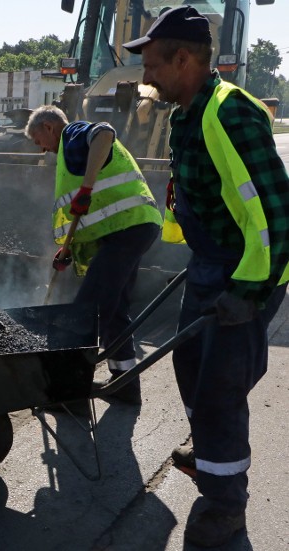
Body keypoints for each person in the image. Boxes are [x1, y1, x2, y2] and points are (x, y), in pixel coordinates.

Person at [123, 6, 289, 547]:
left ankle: (225, 506)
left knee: (220, 390)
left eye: (152, 64)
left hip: (243, 274)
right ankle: (210, 449)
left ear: (185, 58)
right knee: (191, 366)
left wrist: (248, 291)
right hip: (210, 265)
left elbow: (278, 214)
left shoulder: (230, 112)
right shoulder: (185, 114)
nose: (145, 77)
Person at [25, 105, 162, 405]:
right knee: (113, 311)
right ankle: (124, 384)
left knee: (87, 312)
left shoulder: (72, 135)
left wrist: (85, 189)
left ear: (49, 127)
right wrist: (69, 249)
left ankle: (70, 396)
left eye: (39, 141)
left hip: (128, 229)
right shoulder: (67, 153)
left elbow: (104, 133)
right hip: (131, 229)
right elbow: (91, 218)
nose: (42, 149)